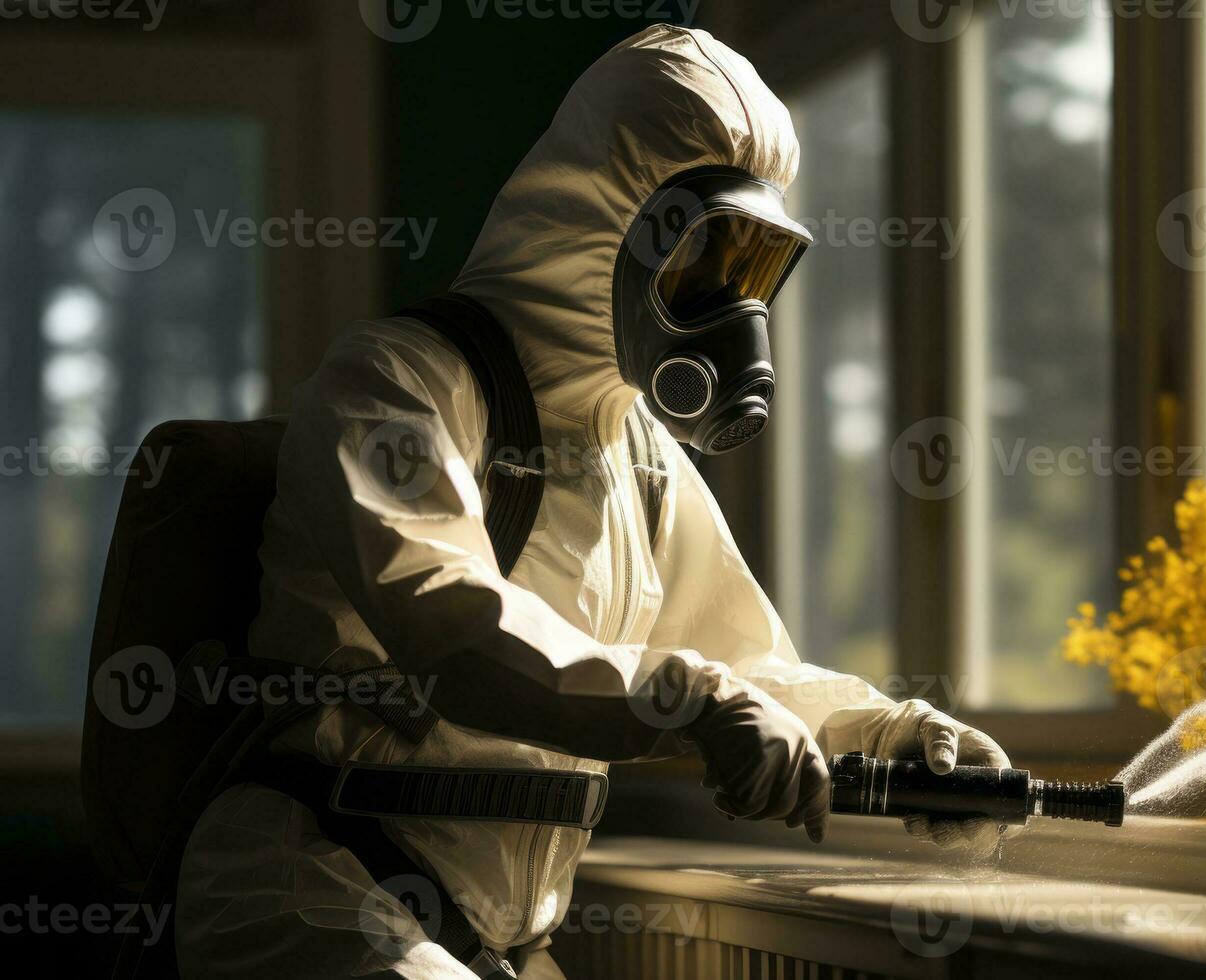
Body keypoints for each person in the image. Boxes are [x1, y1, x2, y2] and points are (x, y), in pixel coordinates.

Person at [174, 24, 1012, 980]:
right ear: (607, 222)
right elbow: (451, 627)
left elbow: (743, 664)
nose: (731, 310)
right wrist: (691, 699)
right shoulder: (395, 383)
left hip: (497, 940)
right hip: (317, 901)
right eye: (704, 260)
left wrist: (896, 738)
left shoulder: (636, 454)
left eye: (752, 271)